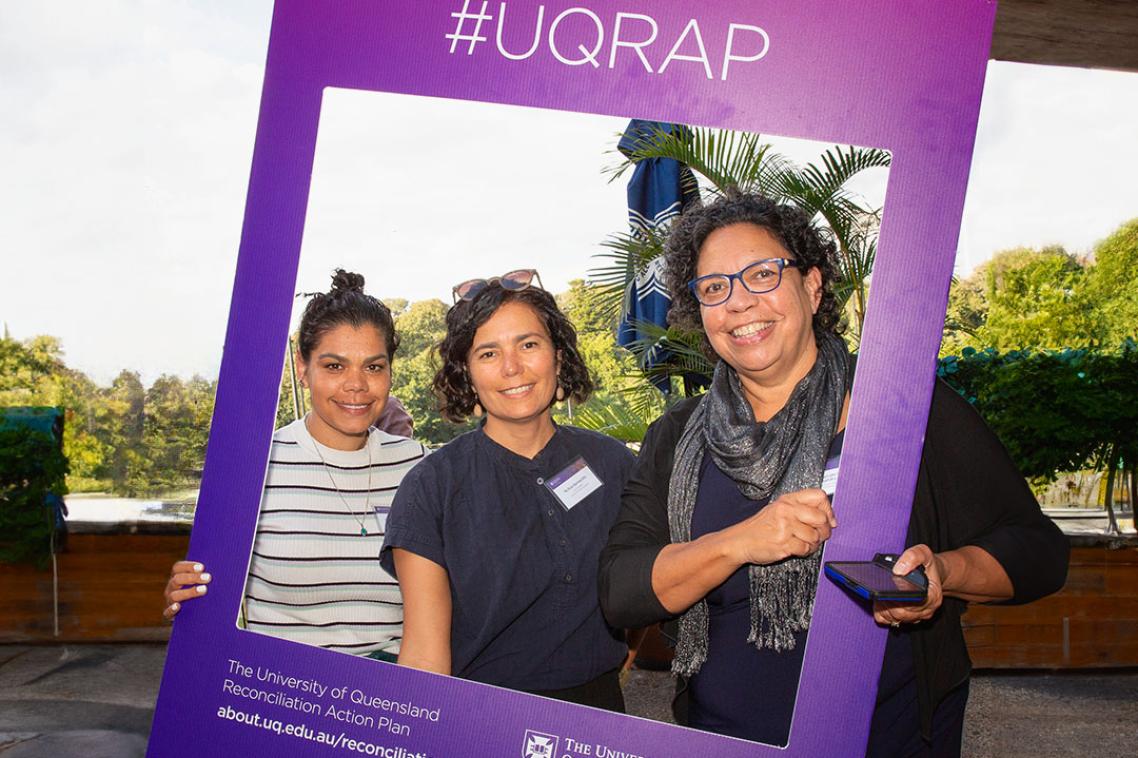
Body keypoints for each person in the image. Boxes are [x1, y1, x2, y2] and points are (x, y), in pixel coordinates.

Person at [597, 192, 1069, 753]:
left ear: (813, 285)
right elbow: (621, 590)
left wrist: (944, 569)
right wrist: (740, 542)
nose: (739, 302)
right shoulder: (677, 434)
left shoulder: (901, 410)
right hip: (724, 736)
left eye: (762, 274)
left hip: (887, 736)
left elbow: (1038, 552)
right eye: (715, 287)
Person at [380, 269, 634, 711]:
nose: (512, 367)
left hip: (599, 719)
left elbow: (647, 593)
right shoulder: (430, 489)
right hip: (479, 720)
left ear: (558, 355)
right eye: (489, 353)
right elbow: (424, 655)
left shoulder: (616, 466)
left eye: (528, 344)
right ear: (467, 374)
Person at [163, 270, 428, 662]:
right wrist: (185, 594)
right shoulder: (252, 468)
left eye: (373, 366)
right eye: (334, 366)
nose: (356, 384)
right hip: (280, 700)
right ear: (303, 369)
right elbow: (207, 598)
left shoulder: (419, 466)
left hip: (389, 705)